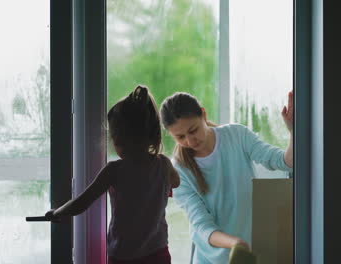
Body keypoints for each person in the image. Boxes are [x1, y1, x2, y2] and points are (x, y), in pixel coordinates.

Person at [46, 86, 180, 264]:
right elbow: (176, 183)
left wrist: (58, 212)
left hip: (123, 255)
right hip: (158, 253)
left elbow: (82, 202)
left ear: (118, 139)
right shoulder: (163, 164)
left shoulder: (115, 170)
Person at [159, 91, 293, 263]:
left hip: (245, 254)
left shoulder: (237, 135)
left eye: (193, 130)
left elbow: (284, 161)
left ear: (203, 114)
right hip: (212, 259)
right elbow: (202, 226)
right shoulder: (179, 171)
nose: (190, 141)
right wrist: (235, 243)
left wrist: (292, 131)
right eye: (180, 137)